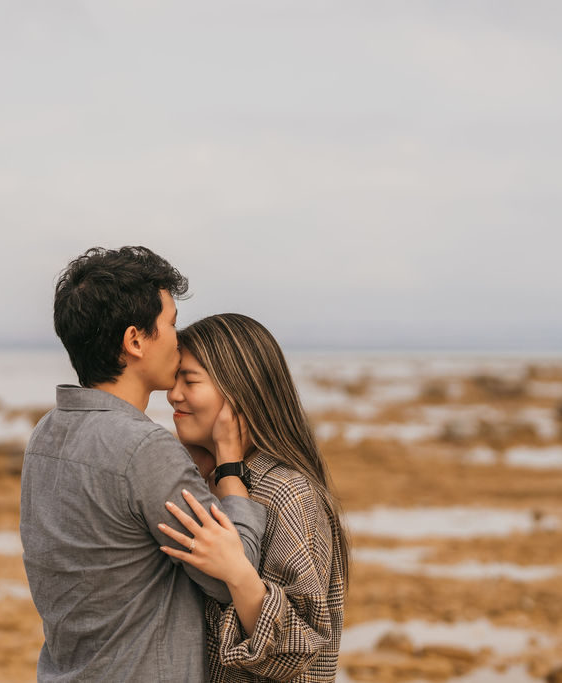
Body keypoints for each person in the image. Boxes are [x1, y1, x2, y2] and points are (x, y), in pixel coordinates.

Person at [20, 247, 268, 681]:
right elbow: (233, 571)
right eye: (170, 324)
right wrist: (229, 465)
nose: (179, 336)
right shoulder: (145, 449)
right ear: (135, 340)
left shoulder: (45, 434)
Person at [159, 313, 348, 682]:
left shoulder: (286, 492)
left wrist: (238, 573)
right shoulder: (201, 479)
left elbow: (300, 648)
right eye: (174, 377)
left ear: (238, 393)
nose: (173, 394)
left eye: (190, 380)